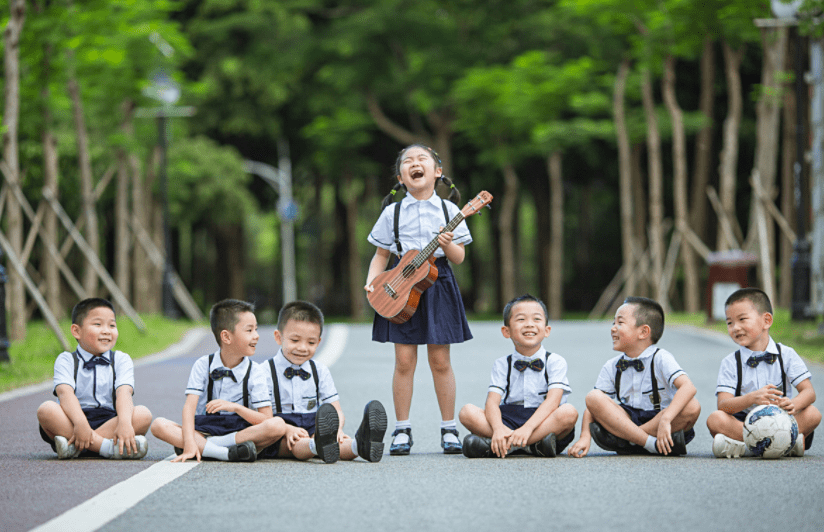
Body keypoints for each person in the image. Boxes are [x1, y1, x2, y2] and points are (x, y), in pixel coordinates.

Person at [364, 144, 473, 455]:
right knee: (403, 361)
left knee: (440, 361)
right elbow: (381, 254)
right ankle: (402, 430)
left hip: (438, 282)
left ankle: (449, 428)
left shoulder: (450, 211)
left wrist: (447, 244)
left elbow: (459, 257)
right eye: (408, 161)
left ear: (437, 172)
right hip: (399, 285)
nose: (415, 163)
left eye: (422, 159)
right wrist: (373, 281)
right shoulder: (392, 212)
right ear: (401, 176)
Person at [150, 299, 287, 462]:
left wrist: (236, 408)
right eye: (249, 330)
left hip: (241, 431)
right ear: (226, 337)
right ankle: (224, 453)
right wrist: (189, 441)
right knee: (158, 425)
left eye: (255, 329)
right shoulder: (203, 365)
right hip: (204, 428)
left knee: (277, 425)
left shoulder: (255, 371)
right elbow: (189, 408)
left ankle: (208, 446)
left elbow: (266, 419)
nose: (256, 336)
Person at [568, 296, 701, 457]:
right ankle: (649, 443)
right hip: (626, 419)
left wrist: (666, 418)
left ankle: (626, 440)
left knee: (692, 406)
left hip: (659, 419)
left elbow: (688, 387)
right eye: (613, 323)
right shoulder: (612, 366)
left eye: (620, 323)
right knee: (593, 397)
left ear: (643, 332)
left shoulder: (661, 358)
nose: (613, 328)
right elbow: (593, 406)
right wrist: (585, 436)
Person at [257, 301, 387, 463]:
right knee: (297, 444)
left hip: (315, 427)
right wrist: (287, 429)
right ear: (278, 337)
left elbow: (336, 409)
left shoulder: (320, 371)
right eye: (295, 340)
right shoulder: (264, 372)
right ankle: (317, 445)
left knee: (339, 441)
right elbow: (261, 417)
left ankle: (359, 445)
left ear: (318, 342)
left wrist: (338, 429)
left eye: (310, 343)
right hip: (281, 432)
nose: (303, 348)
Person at [458, 295, 578, 458]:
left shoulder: (555, 361)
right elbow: (492, 402)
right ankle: (532, 446)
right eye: (521, 319)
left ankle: (506, 445)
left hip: (543, 422)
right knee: (467, 412)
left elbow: (552, 401)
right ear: (506, 331)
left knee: (568, 413)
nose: (529, 324)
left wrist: (527, 429)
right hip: (509, 419)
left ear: (547, 330)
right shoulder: (502, 364)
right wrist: (498, 428)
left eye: (536, 319)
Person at [707, 287, 821, 458]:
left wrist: (794, 404)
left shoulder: (786, 355)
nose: (735, 328)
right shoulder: (731, 362)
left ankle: (744, 448)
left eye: (742, 319)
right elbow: (723, 405)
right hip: (745, 423)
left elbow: (809, 392)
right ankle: (784, 446)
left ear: (766, 320)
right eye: (729, 322)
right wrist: (750, 398)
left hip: (781, 421)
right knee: (715, 419)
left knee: (813, 413)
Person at [36, 298, 152, 459]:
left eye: (112, 325)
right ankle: (107, 448)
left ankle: (75, 447)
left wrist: (124, 423)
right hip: (72, 419)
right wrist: (80, 423)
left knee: (143, 415)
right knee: (46, 410)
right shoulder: (66, 360)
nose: (106, 331)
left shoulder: (121, 359)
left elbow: (124, 393)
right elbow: (65, 394)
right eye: (98, 325)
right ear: (76, 331)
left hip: (110, 420)